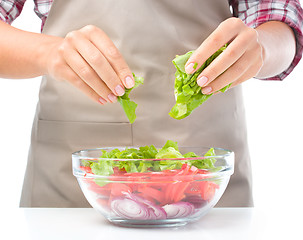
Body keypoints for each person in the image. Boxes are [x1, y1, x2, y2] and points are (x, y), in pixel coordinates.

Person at [0, 0, 302, 208]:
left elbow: (281, 20)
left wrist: (260, 49)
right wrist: (49, 53)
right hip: (71, 177)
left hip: (203, 176)